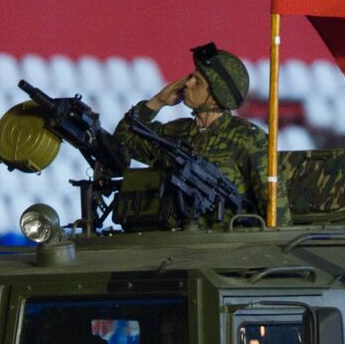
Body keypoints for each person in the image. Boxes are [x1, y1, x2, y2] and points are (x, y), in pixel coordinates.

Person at [114, 42, 290, 227]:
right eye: (191, 77)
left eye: (197, 81)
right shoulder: (176, 131)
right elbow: (123, 140)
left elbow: (276, 216)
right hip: (173, 246)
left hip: (227, 248)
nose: (187, 83)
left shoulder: (249, 140)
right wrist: (157, 101)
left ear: (215, 97)